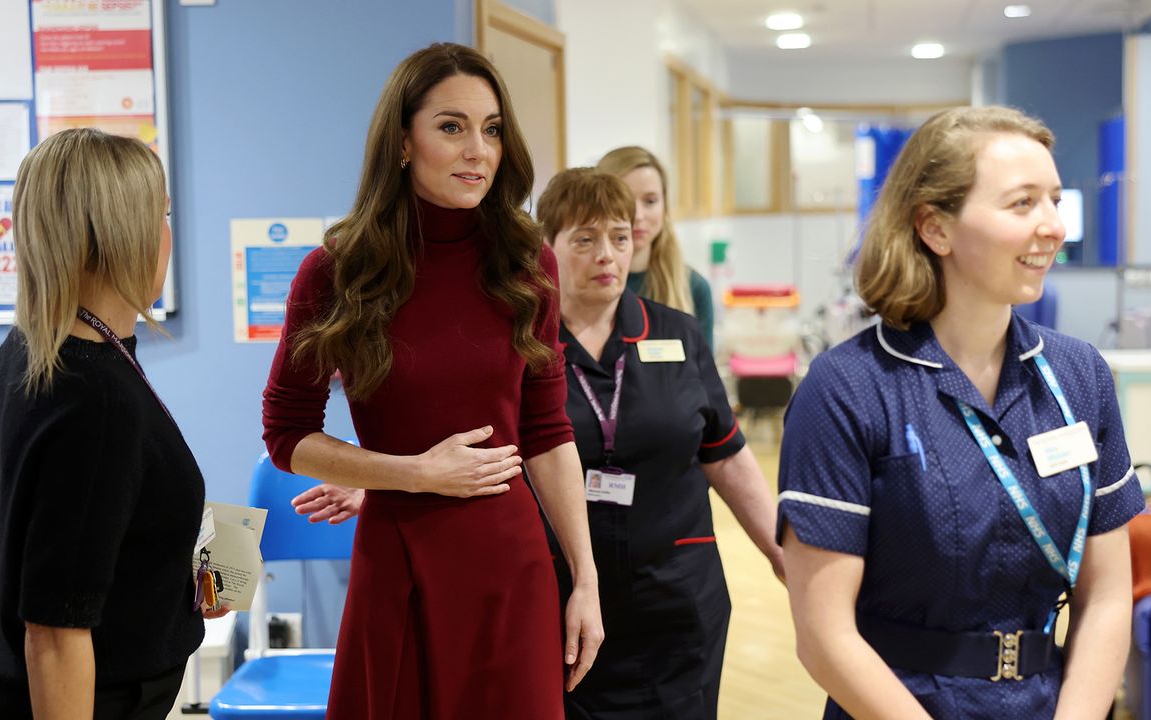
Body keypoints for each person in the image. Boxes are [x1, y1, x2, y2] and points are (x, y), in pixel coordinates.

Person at [263, 43, 602, 719]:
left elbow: (547, 431)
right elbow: (287, 433)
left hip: (512, 568)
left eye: (492, 129)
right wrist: (412, 473)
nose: (478, 149)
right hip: (401, 564)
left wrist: (585, 578)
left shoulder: (526, 262)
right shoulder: (335, 272)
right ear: (401, 142)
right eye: (452, 127)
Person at [777, 107, 1144, 719]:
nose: (1052, 226)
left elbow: (1106, 595)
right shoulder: (848, 388)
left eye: (1054, 200)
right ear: (935, 228)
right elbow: (824, 637)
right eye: (1022, 203)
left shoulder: (1079, 377)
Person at [0, 127, 226, 719]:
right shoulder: (96, 398)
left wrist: (160, 568)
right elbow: (55, 635)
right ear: (121, 237)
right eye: (160, 216)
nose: (168, 237)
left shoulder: (27, 349)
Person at [536, 167, 783, 719]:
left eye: (619, 238)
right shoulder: (523, 347)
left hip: (677, 598)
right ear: (546, 249)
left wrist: (779, 550)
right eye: (585, 239)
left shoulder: (676, 333)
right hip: (565, 602)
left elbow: (726, 453)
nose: (607, 255)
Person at [597, 146, 716, 349]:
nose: (638, 215)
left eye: (650, 201)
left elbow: (704, 378)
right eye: (624, 200)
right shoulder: (583, 285)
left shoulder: (693, 288)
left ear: (665, 207)